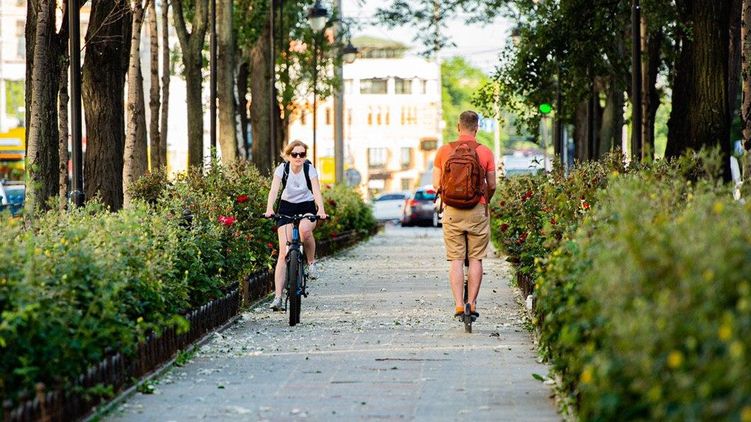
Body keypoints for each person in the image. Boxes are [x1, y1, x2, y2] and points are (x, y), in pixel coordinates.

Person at [432, 111, 496, 318]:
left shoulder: (444, 151)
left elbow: (436, 184)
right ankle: (472, 304)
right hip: (477, 209)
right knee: (476, 258)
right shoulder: (485, 152)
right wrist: (485, 200)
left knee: (456, 259)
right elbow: (492, 184)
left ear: (458, 127)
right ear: (477, 128)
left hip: (452, 210)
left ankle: (459, 305)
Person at [264, 140, 328, 311]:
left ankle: (311, 263)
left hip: (306, 206)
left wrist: (321, 209)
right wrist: (269, 208)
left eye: (302, 154)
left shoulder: (309, 169)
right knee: (283, 252)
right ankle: (278, 298)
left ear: (305, 156)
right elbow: (274, 190)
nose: (298, 157)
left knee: (304, 230)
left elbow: (316, 191)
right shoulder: (282, 169)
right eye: (294, 154)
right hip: (286, 207)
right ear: (288, 156)